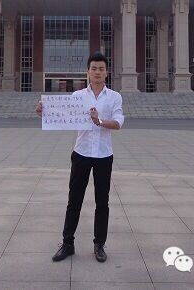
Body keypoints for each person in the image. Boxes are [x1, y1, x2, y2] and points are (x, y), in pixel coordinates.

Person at [36, 51, 124, 263]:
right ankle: (68, 243)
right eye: (94, 68)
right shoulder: (77, 96)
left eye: (101, 69)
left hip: (103, 155)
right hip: (81, 153)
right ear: (88, 72)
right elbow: (61, 115)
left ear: (106, 72)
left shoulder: (114, 97)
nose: (97, 72)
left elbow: (118, 122)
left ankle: (99, 244)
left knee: (102, 201)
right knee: (74, 200)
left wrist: (99, 121)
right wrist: (44, 111)